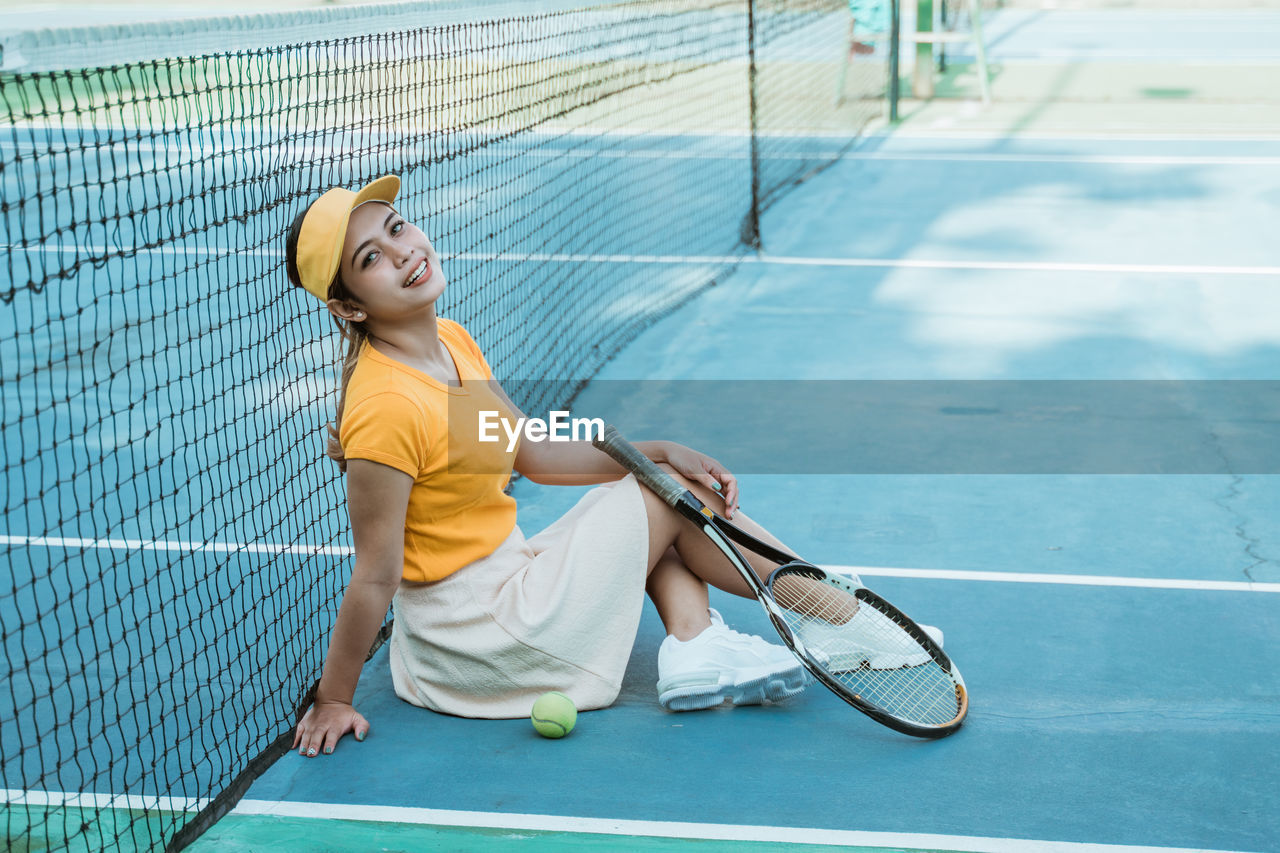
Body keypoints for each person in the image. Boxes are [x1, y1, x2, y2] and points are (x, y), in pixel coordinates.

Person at [284, 175, 820, 758]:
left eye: (397, 228)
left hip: (505, 583)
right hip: (478, 634)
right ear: (349, 306)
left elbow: (531, 451)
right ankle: (843, 616)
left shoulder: (450, 340)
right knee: (660, 497)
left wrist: (655, 450)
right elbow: (375, 574)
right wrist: (334, 698)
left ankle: (697, 643)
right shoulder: (386, 407)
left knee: (656, 485)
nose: (403, 251)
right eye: (372, 258)